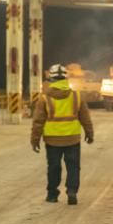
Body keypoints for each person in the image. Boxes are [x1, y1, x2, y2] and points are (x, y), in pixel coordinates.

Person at [31, 63, 94, 205]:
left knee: (53, 166)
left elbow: (38, 122)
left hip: (52, 140)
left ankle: (52, 194)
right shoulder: (76, 96)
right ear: (66, 78)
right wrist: (89, 133)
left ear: (51, 79)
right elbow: (85, 118)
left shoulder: (44, 98)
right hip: (72, 139)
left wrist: (35, 140)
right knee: (73, 166)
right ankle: (72, 191)